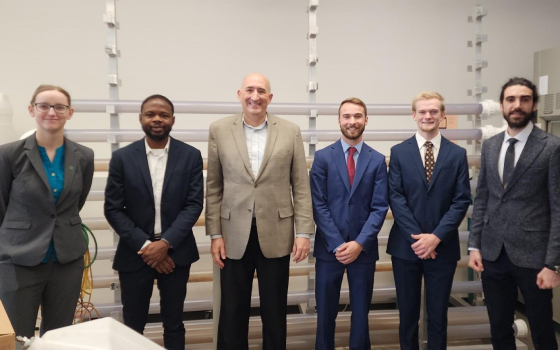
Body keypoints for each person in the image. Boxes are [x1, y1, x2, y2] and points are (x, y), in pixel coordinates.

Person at [205, 73, 314, 350]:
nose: (255, 96)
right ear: (239, 94)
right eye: (250, 90)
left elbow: (301, 186)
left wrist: (303, 232)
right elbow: (214, 185)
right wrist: (214, 234)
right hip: (231, 235)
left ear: (270, 97)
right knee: (232, 311)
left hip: (277, 233)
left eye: (261, 91)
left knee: (275, 311)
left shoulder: (290, 131)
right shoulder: (219, 129)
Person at [104, 94, 203, 350]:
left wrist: (166, 243)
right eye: (150, 114)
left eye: (163, 114)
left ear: (172, 119)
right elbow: (113, 209)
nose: (157, 119)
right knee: (133, 326)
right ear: (141, 118)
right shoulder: (122, 158)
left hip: (176, 254)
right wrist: (149, 247)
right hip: (135, 254)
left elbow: (193, 205)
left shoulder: (191, 156)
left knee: (174, 323)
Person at [468, 77, 560, 350]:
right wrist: (475, 245)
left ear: (533, 105)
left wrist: (552, 264)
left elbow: (558, 207)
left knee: (542, 331)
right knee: (499, 328)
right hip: (493, 254)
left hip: (534, 258)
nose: (517, 105)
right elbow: (482, 196)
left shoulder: (551, 147)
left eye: (524, 99)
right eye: (511, 99)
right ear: (502, 105)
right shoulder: (491, 145)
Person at [0, 85, 94, 337]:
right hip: (19, 259)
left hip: (66, 259)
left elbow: (74, 203)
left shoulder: (84, 156)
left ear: (69, 112)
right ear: (32, 110)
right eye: (44, 105)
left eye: (59, 106)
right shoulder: (9, 154)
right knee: (17, 336)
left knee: (59, 335)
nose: (51, 112)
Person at [387, 91, 471, 350]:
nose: (428, 116)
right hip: (406, 247)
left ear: (442, 115)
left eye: (434, 111)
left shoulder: (457, 154)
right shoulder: (399, 152)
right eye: (422, 111)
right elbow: (395, 197)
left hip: (442, 248)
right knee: (407, 316)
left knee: (438, 316)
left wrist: (435, 237)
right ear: (414, 115)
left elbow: (461, 201)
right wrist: (418, 239)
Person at [310, 97, 388, 350]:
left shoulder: (377, 160)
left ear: (366, 120)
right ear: (339, 120)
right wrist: (337, 243)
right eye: (347, 116)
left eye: (357, 116)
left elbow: (379, 207)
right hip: (328, 249)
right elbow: (318, 205)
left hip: (363, 251)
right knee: (325, 314)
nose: (352, 121)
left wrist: (358, 244)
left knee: (361, 314)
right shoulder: (322, 158)